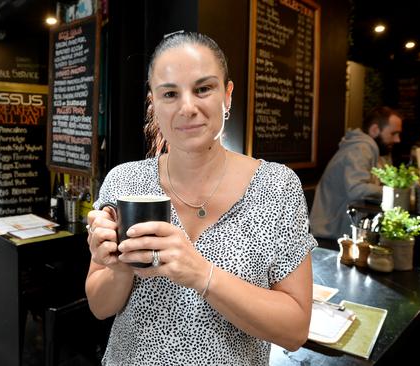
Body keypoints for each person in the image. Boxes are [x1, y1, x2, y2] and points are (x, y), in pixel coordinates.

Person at [85, 32, 315, 365]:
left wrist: (201, 274)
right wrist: (119, 267)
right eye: (169, 93)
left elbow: (294, 331)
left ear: (228, 95)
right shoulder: (123, 181)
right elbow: (100, 306)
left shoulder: (277, 187)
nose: (187, 107)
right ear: (153, 102)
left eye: (203, 89)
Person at [310, 106, 403, 240]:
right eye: (393, 133)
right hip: (330, 233)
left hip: (337, 229)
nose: (397, 140)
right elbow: (356, 189)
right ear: (375, 130)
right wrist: (391, 191)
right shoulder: (360, 148)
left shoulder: (367, 148)